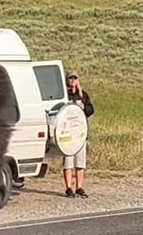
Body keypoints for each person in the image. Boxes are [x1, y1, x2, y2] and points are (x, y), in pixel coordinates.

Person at [63, 70, 94, 198]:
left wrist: (82, 106)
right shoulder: (65, 95)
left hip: (80, 132)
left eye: (75, 78)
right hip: (68, 132)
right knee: (68, 161)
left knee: (80, 162)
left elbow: (90, 110)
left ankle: (79, 187)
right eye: (70, 78)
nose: (72, 81)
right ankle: (68, 187)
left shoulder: (83, 95)